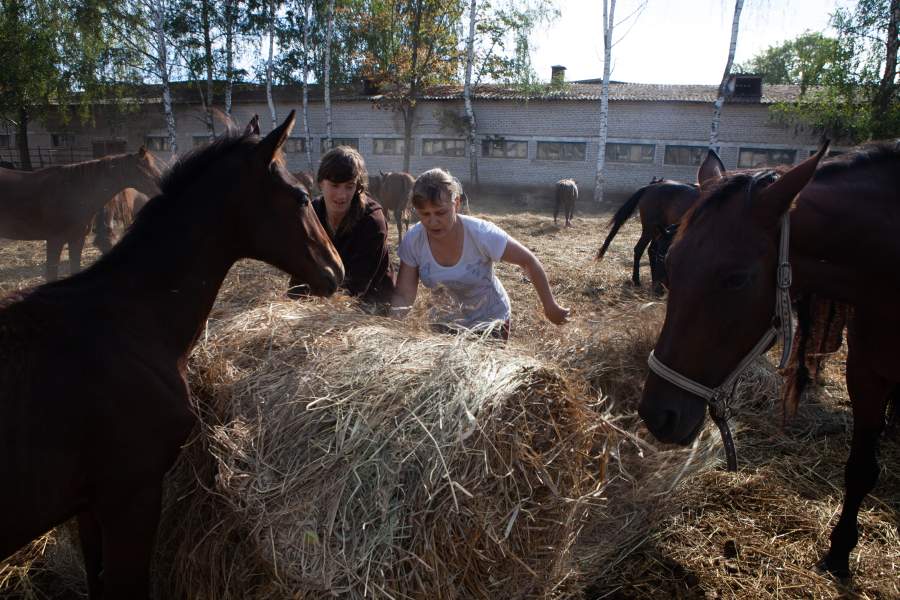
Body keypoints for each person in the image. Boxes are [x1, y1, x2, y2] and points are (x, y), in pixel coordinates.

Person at [392, 168, 568, 339]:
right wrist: (393, 328)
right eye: (424, 214)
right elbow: (404, 295)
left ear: (456, 204)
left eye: (440, 212)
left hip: (490, 323)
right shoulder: (414, 240)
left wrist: (550, 306)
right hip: (443, 324)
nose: (432, 221)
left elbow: (528, 261)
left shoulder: (482, 234)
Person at [287, 146, 395, 305]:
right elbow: (301, 271)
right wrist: (292, 304)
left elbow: (357, 286)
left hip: (371, 302)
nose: (342, 195)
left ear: (358, 187)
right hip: (323, 298)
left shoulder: (372, 222)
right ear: (321, 183)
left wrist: (319, 306)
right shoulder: (311, 214)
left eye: (349, 186)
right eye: (334, 185)